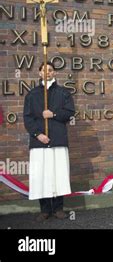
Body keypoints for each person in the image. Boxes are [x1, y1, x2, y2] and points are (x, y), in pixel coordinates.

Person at [23, 62, 75, 222]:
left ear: (54, 73)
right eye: (44, 70)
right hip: (39, 142)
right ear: (39, 73)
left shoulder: (63, 93)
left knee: (58, 174)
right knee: (41, 175)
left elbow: (70, 112)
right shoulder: (31, 94)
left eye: (50, 70)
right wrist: (38, 134)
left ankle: (58, 208)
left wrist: (53, 114)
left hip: (58, 140)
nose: (47, 73)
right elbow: (27, 118)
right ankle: (45, 209)